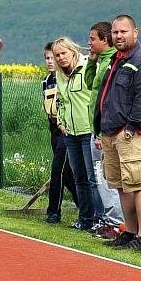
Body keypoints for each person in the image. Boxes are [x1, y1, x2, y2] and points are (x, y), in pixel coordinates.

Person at [96, 15, 141, 251]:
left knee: (137, 184)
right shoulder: (118, 59)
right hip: (111, 131)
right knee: (121, 185)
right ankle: (130, 231)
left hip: (131, 134)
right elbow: (106, 96)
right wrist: (100, 128)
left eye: (124, 31)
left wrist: (131, 129)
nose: (119, 36)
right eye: (115, 32)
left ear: (136, 32)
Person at [51, 37, 102, 231]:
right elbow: (61, 101)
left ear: (73, 52)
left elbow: (96, 98)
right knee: (78, 177)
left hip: (88, 131)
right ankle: (85, 218)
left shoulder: (88, 68)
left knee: (93, 178)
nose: (61, 58)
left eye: (64, 53)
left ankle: (100, 218)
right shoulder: (59, 75)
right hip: (70, 133)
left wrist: (96, 125)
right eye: (57, 55)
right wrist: (61, 122)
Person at [84, 21, 124, 238]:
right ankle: (106, 219)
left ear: (104, 40)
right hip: (96, 129)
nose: (89, 43)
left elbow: (107, 99)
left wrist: (100, 133)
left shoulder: (112, 62)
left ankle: (116, 222)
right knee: (98, 179)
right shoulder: (101, 61)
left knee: (106, 178)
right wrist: (91, 62)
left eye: (92, 39)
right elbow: (90, 84)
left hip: (104, 131)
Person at [41, 43, 79, 223]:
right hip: (54, 129)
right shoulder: (47, 81)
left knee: (58, 169)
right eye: (47, 58)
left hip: (66, 129)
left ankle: (53, 211)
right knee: (68, 173)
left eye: (53, 57)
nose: (51, 61)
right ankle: (85, 206)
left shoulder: (66, 78)